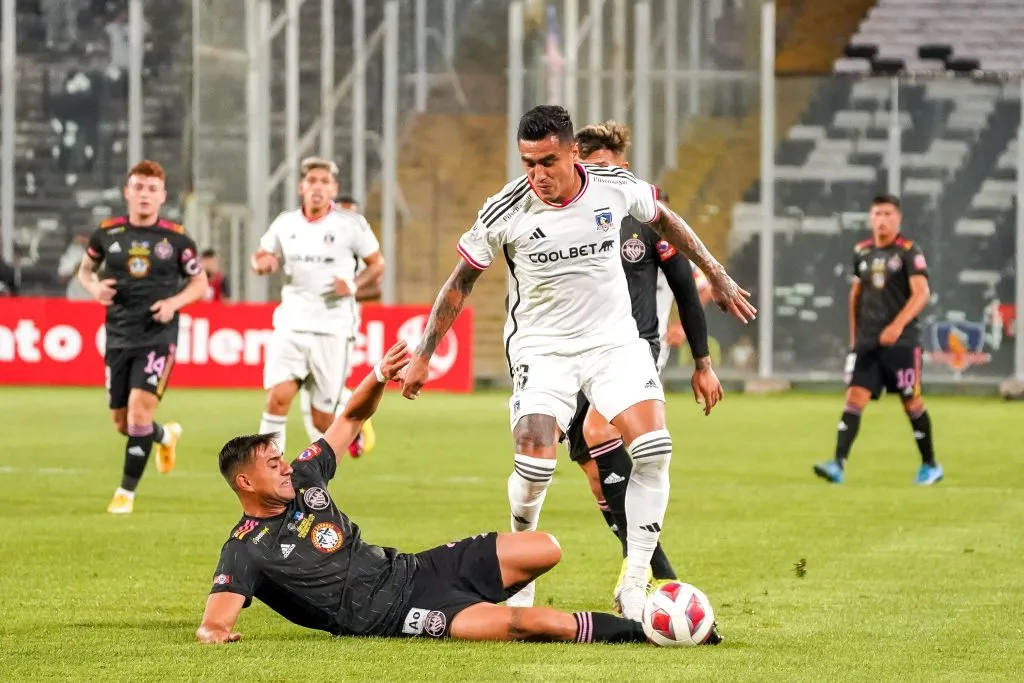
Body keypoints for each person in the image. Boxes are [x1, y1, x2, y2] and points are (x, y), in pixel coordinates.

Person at [400, 105, 755, 620]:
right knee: (534, 461)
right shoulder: (506, 209)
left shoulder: (615, 186)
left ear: (572, 152)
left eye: (547, 161)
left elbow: (667, 221)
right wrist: (424, 354)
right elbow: (460, 283)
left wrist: (716, 274)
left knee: (654, 447)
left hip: (613, 342)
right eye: (528, 163)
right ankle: (519, 576)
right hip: (542, 349)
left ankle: (634, 584)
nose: (538, 175)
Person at [196, 342, 713, 646]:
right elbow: (215, 621)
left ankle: (487, 594)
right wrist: (215, 634)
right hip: (401, 615)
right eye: (272, 465)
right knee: (530, 625)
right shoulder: (245, 548)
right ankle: (648, 631)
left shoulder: (306, 478)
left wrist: (378, 376)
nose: (285, 467)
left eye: (282, 459)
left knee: (546, 548)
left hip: (417, 569)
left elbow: (351, 418)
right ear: (245, 483)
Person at [565, 121, 723, 600]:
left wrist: (702, 361)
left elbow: (685, 289)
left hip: (635, 348)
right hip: (572, 352)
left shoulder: (649, 221)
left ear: (625, 170)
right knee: (595, 471)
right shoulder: (560, 221)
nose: (600, 177)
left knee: (600, 433)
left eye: (608, 168)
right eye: (590, 168)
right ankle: (641, 570)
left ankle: (657, 581)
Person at [76, 160, 209, 513]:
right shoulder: (107, 234)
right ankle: (165, 436)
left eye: (152, 189)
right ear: (128, 192)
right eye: (139, 188)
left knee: (138, 410)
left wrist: (173, 303)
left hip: (157, 335)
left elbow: (200, 283)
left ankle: (125, 494)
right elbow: (85, 270)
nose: (145, 195)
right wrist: (93, 288)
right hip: (118, 335)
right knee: (123, 422)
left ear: (162, 196)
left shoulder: (178, 239)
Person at [251, 158, 385, 457]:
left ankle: (352, 422)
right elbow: (260, 255)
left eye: (324, 182)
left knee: (322, 419)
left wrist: (351, 285)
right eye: (312, 181)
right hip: (291, 324)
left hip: (333, 329)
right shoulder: (285, 224)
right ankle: (269, 473)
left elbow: (377, 265)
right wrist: (263, 264)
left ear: (333, 189)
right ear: (302, 187)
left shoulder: (350, 225)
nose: (318, 187)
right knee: (278, 398)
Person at [813, 194, 942, 485]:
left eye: (887, 214)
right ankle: (838, 464)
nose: (881, 220)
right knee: (854, 397)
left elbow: (922, 293)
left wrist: (897, 325)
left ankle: (930, 464)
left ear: (898, 218)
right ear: (870, 218)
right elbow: (855, 296)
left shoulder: (909, 251)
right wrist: (854, 339)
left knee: (911, 401)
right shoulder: (862, 252)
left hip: (902, 342)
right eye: (877, 214)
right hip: (868, 342)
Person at [297, 194, 383, 458]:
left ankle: (352, 422)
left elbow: (376, 291)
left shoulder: (357, 255)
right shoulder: (323, 249)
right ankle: (327, 447)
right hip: (313, 325)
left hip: (341, 328)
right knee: (310, 387)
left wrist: (347, 291)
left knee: (323, 389)